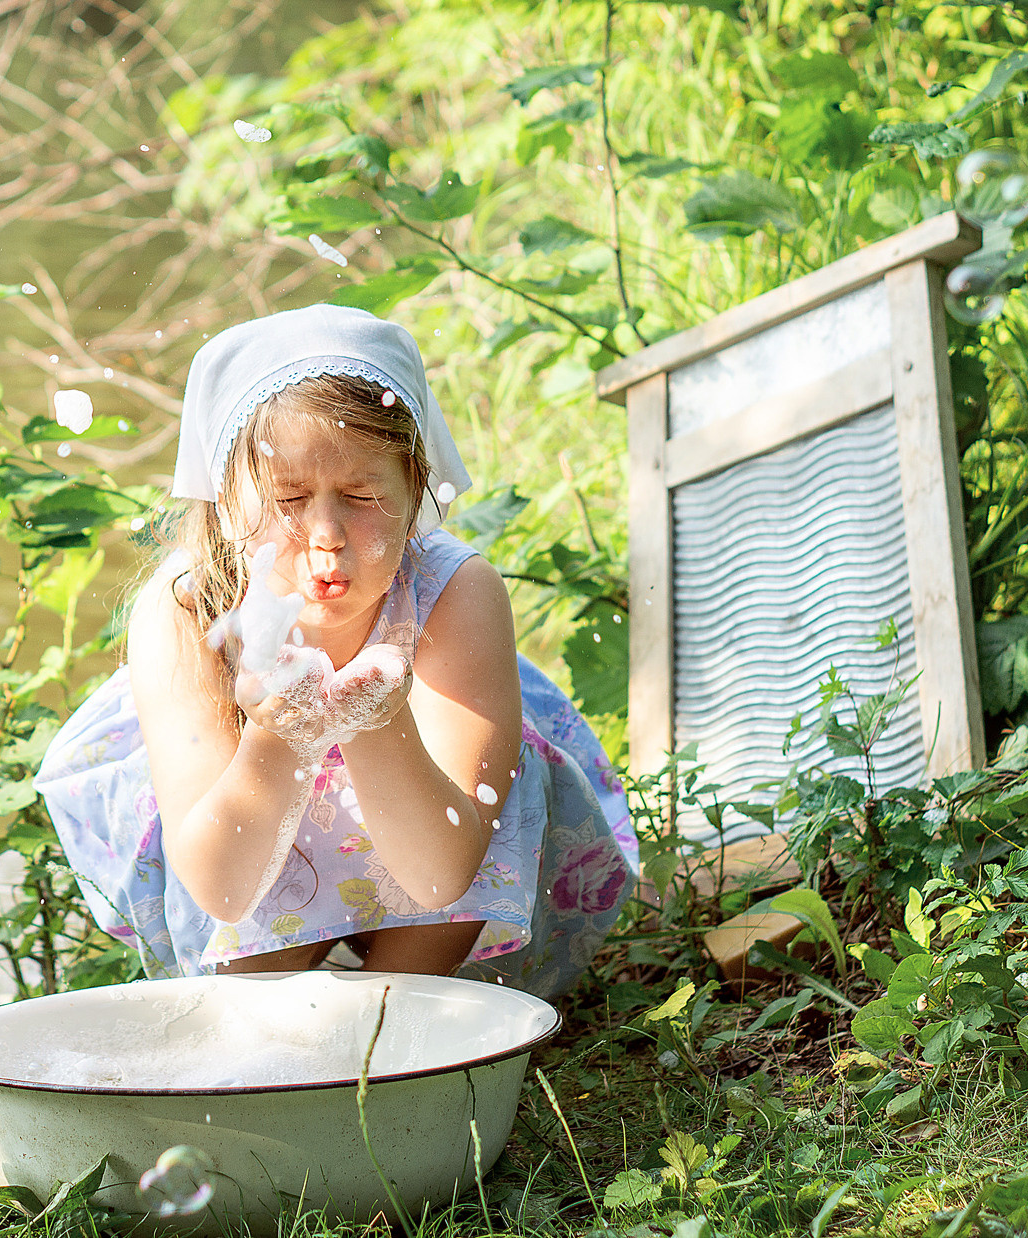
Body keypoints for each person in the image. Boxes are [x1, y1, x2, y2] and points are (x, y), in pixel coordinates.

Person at [37, 304, 636, 997]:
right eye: (288, 498)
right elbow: (221, 896)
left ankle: (397, 1012)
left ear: (415, 489)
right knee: (256, 993)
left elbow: (444, 875)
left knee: (487, 801)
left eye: (360, 494)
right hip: (243, 844)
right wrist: (280, 737)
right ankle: (279, 1028)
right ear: (226, 503)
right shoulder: (183, 616)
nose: (326, 534)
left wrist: (376, 722)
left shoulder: (455, 594)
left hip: (430, 861)